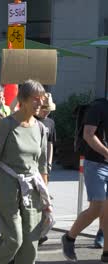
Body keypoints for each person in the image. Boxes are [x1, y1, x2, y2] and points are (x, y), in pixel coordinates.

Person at [0, 80, 52, 264]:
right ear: (22, 100)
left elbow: (42, 166)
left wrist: (46, 200)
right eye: (35, 99)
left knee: (30, 244)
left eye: (41, 99)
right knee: (13, 241)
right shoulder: (7, 124)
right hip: (7, 187)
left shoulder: (41, 128)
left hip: (32, 188)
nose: (39, 103)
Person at [61, 97, 108, 262]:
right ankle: (69, 237)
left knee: (107, 210)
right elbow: (88, 134)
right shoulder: (98, 107)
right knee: (98, 206)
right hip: (97, 164)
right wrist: (107, 153)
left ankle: (106, 253)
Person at [35, 93, 57, 184]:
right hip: (32, 158)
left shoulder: (50, 122)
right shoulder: (30, 119)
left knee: (44, 183)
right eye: (44, 110)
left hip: (44, 159)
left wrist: (49, 162)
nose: (46, 112)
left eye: (48, 110)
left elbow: (50, 143)